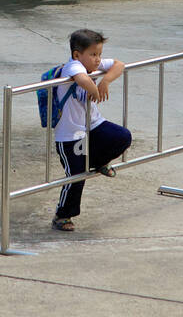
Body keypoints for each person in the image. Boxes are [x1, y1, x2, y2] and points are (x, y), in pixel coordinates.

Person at [51, 28, 131, 232]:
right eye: (93, 54)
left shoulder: (92, 64)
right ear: (77, 55)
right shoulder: (72, 66)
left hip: (93, 125)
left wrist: (105, 80)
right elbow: (82, 79)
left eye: (99, 54)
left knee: (122, 137)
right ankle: (63, 215)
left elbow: (118, 64)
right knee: (76, 175)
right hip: (71, 134)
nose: (98, 60)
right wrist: (94, 88)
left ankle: (97, 162)